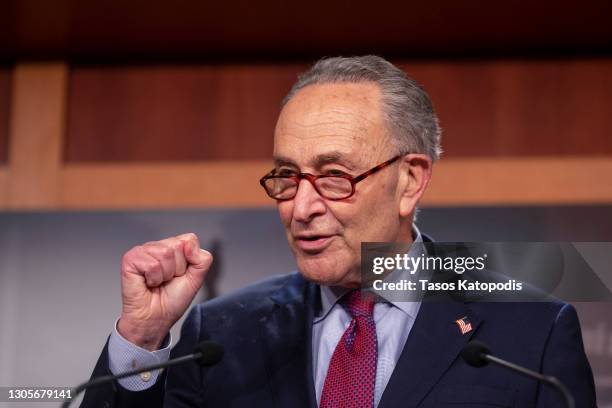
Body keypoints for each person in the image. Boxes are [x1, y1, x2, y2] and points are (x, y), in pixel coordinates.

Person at [81, 56, 596, 407]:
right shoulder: (220, 333)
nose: (301, 207)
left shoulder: (532, 335)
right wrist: (143, 340)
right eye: (287, 176)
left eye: (334, 177)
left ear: (409, 180)